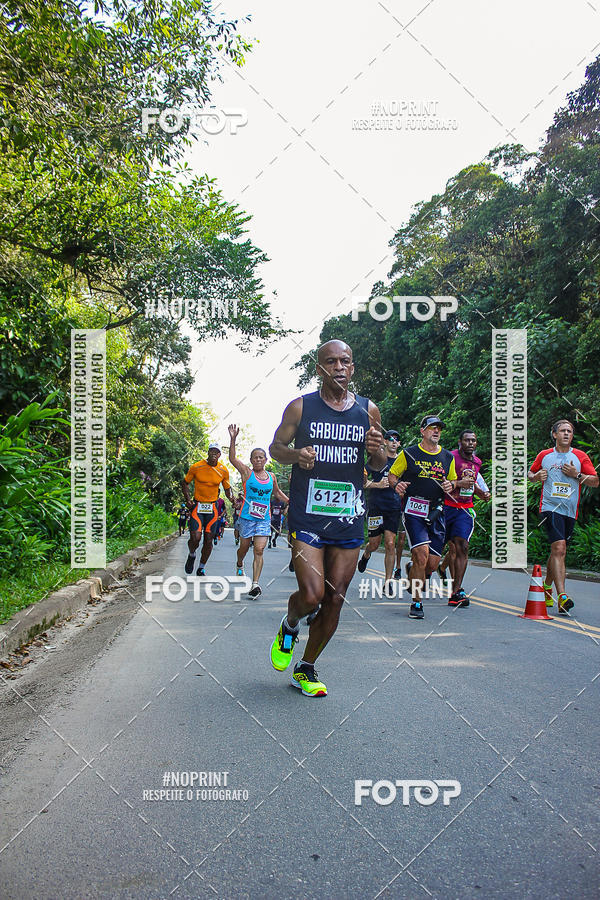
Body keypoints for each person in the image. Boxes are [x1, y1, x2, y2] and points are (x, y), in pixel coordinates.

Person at [268, 339, 386, 697]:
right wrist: (295, 454)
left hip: (349, 516)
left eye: (345, 361)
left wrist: (376, 451)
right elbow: (275, 449)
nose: (339, 367)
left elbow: (379, 467)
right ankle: (290, 624)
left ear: (352, 368)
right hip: (307, 516)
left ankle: (306, 667)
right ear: (319, 368)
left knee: (335, 598)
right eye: (331, 361)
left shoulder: (369, 411)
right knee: (313, 593)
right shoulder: (300, 408)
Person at [388, 415, 469, 619]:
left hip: (436, 512)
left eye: (439, 429)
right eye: (432, 428)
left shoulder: (447, 457)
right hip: (414, 509)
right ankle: (416, 603)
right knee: (422, 554)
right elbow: (392, 475)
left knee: (432, 564)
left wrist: (452, 485)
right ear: (422, 431)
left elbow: (450, 482)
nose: (436, 431)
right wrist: (396, 485)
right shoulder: (408, 454)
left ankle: (412, 569)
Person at [528, 419, 598, 615]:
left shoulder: (580, 456)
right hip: (550, 507)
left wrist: (577, 475)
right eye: (563, 430)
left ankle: (547, 587)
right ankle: (563, 596)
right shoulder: (545, 455)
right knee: (559, 548)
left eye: (570, 431)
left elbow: (595, 481)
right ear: (554, 434)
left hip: (570, 510)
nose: (567, 433)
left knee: (557, 551)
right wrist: (536, 477)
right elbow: (530, 473)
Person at [228, 424, 289, 599]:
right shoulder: (247, 473)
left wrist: (288, 500)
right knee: (244, 547)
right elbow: (232, 459)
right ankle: (239, 562)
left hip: (263, 519)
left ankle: (255, 584)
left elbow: (276, 492)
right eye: (255, 458)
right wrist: (233, 439)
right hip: (247, 518)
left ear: (265, 460)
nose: (258, 460)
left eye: (261, 457)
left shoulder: (271, 477)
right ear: (251, 460)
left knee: (259, 549)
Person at [442, 430, 490, 607]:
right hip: (446, 506)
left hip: (464, 508)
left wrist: (482, 493)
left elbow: (472, 483)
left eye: (473, 440)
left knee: (462, 546)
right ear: (460, 442)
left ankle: (456, 591)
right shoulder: (449, 457)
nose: (471, 443)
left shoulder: (477, 462)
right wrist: (457, 484)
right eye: (467, 440)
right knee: (433, 553)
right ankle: (418, 572)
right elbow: (441, 480)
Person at [357, 429, 404, 596]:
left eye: (396, 439)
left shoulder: (402, 461)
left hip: (393, 507)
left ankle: (388, 582)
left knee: (391, 543)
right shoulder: (376, 460)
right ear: (384, 442)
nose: (393, 441)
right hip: (376, 506)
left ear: (399, 444)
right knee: (375, 544)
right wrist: (376, 484)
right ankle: (366, 554)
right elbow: (361, 482)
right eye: (390, 439)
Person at [181, 443, 233, 576]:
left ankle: (201, 567)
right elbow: (185, 483)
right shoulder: (197, 467)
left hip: (212, 508)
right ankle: (192, 554)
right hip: (198, 506)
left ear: (220, 455)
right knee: (196, 538)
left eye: (217, 452)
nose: (214, 454)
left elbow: (227, 489)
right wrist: (188, 500)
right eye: (212, 451)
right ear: (208, 452)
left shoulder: (223, 470)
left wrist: (232, 499)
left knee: (209, 539)